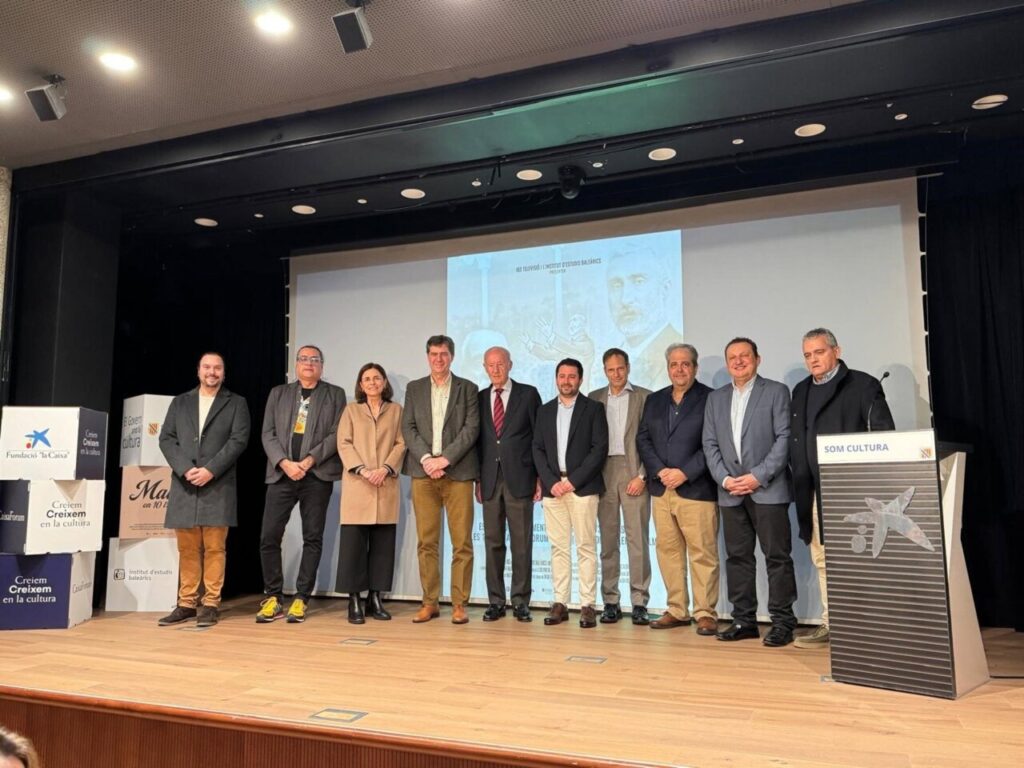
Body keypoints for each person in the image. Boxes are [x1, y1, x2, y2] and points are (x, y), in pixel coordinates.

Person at [790, 328, 895, 648]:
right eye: (807, 355)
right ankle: (831, 623)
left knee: (858, 559)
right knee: (823, 558)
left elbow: (884, 437)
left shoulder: (863, 385)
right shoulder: (801, 390)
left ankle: (870, 626)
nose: (812, 360)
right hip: (811, 491)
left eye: (818, 352)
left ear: (836, 350)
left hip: (852, 493)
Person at [703, 337, 796, 647]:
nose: (739, 361)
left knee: (777, 558)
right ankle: (744, 620)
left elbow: (784, 439)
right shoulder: (716, 399)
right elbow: (710, 444)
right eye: (733, 357)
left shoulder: (776, 392)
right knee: (738, 558)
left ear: (758, 359)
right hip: (730, 492)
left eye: (745, 355)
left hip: (767, 490)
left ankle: (783, 622)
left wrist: (756, 477)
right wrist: (726, 480)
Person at [158, 352, 250, 628]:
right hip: (185, 484)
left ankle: (210, 603)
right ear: (198, 370)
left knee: (214, 548)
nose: (212, 372)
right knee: (187, 549)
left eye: (217, 368)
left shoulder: (236, 403)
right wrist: (186, 468)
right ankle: (186, 603)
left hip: (217, 484)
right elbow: (166, 439)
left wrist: (211, 469)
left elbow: (238, 440)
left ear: (224, 372)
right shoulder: (180, 402)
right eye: (207, 367)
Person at [256, 345, 347, 624]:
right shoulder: (278, 393)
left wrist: (308, 461)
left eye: (315, 360)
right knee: (269, 537)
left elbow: (336, 434)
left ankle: (301, 598)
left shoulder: (335, 394)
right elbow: (267, 433)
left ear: (322, 365)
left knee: (313, 537)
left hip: (316, 475)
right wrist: (284, 463)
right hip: (281, 474)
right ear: (296, 365)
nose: (309, 364)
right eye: (304, 359)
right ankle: (273, 597)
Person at [637, 343, 720, 635]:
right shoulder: (655, 400)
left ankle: (705, 612)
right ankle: (676, 609)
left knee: (702, 554)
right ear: (668, 367)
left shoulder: (710, 398)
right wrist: (660, 471)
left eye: (685, 364)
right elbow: (643, 439)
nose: (679, 369)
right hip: (662, 491)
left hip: (696, 489)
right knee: (668, 552)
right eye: (674, 364)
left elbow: (713, 443)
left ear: (695, 368)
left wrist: (685, 472)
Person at [402, 335, 480, 624]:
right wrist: (426, 459)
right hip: (423, 473)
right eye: (434, 354)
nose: (438, 359)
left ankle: (460, 604)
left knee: (462, 543)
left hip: (457, 472)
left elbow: (471, 429)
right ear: (427, 356)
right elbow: (408, 427)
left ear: (452, 356)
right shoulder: (414, 388)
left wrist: (445, 459)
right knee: (427, 542)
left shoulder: (468, 388)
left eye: (444, 354)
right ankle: (429, 602)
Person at [533, 358, 608, 628]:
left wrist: (572, 481)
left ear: (580, 379)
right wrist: (552, 481)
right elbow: (537, 449)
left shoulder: (594, 409)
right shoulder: (544, 411)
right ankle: (560, 603)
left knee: (586, 546)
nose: (567, 381)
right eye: (562, 376)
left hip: (583, 488)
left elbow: (598, 450)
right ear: (556, 379)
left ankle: (587, 605)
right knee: (558, 548)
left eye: (572, 376)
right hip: (554, 490)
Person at [336, 363, 407, 624]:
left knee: (382, 546)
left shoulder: (396, 411)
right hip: (359, 484)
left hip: (385, 484)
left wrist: (386, 468)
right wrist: (364, 470)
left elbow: (402, 442)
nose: (372, 382)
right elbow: (343, 443)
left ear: (385, 382)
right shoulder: (351, 411)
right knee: (353, 546)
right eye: (367, 379)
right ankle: (354, 599)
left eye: (377, 378)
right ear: (360, 384)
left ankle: (375, 598)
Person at [477, 346, 542, 622]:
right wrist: (478, 480)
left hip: (521, 478)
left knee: (521, 543)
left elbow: (539, 439)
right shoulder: (479, 398)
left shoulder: (528, 394)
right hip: (490, 480)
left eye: (500, 364)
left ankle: (520, 601)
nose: (496, 369)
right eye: (490, 365)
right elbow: (479, 442)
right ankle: (495, 601)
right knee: (492, 542)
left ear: (510, 364)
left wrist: (540, 477)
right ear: (484, 368)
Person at [588, 348, 652, 625]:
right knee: (609, 541)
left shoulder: (645, 397)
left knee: (637, 539)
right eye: (611, 369)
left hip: (634, 471)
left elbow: (652, 440)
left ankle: (639, 601)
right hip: (604, 473)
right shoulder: (594, 399)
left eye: (620, 368)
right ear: (604, 370)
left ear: (628, 367)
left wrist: (643, 474)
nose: (616, 373)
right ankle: (610, 601)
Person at [606, 246, 681, 390]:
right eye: (616, 285)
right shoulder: (603, 359)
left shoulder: (677, 355)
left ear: (664, 289)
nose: (625, 299)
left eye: (638, 281)